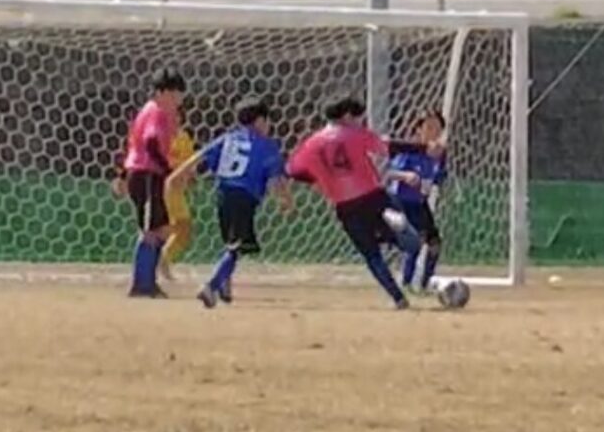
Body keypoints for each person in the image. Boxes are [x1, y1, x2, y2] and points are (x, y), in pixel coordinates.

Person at [286, 96, 421, 310]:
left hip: (346, 205)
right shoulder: (356, 134)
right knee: (413, 244)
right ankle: (392, 227)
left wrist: (318, 179)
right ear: (348, 116)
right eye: (359, 117)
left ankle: (398, 298)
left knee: (371, 255)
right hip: (373, 196)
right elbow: (387, 147)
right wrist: (423, 148)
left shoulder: (312, 143)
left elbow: (293, 170)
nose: (360, 121)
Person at [165, 98, 291, 308]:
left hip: (223, 195)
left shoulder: (227, 138)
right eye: (267, 121)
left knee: (230, 244)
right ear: (260, 121)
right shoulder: (267, 146)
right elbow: (276, 180)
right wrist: (285, 199)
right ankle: (211, 286)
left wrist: (177, 175)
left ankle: (225, 288)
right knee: (236, 248)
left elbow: (200, 157)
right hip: (244, 198)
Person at [121, 69, 186, 298]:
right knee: (150, 230)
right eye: (174, 94)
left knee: (163, 229)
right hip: (147, 174)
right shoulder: (156, 111)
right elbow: (149, 143)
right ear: (161, 93)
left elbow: (133, 143)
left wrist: (122, 174)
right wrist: (168, 170)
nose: (178, 99)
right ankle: (142, 284)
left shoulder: (152, 112)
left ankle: (149, 280)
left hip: (146, 174)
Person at [387, 110, 448, 292]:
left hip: (420, 204)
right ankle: (406, 282)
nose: (433, 132)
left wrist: (440, 178)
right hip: (401, 202)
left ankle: (425, 283)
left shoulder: (439, 154)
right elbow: (388, 173)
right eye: (429, 127)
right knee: (416, 240)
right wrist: (405, 175)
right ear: (418, 129)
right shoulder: (410, 150)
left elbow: (437, 177)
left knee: (435, 244)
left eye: (437, 128)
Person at [160, 109, 196, 282]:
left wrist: (190, 176)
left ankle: (162, 260)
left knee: (183, 230)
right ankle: (160, 262)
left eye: (177, 115)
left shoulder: (184, 138)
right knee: (169, 228)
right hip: (161, 187)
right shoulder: (159, 136)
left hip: (176, 190)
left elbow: (190, 162)